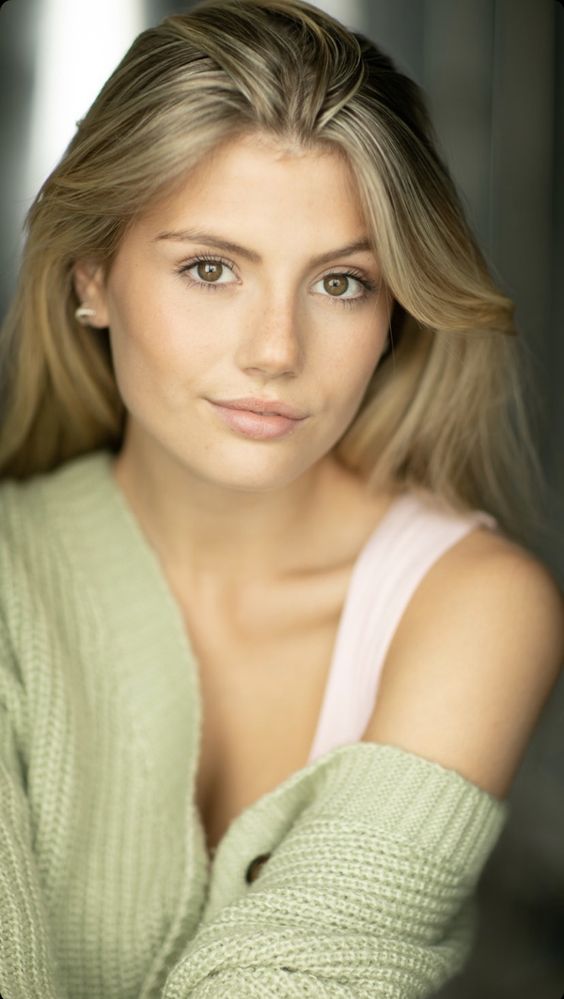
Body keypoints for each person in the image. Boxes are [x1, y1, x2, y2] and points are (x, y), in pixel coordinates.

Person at [0, 0, 562, 995]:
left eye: (341, 284)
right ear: (94, 275)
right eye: (210, 269)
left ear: (398, 310)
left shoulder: (469, 607)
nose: (276, 351)